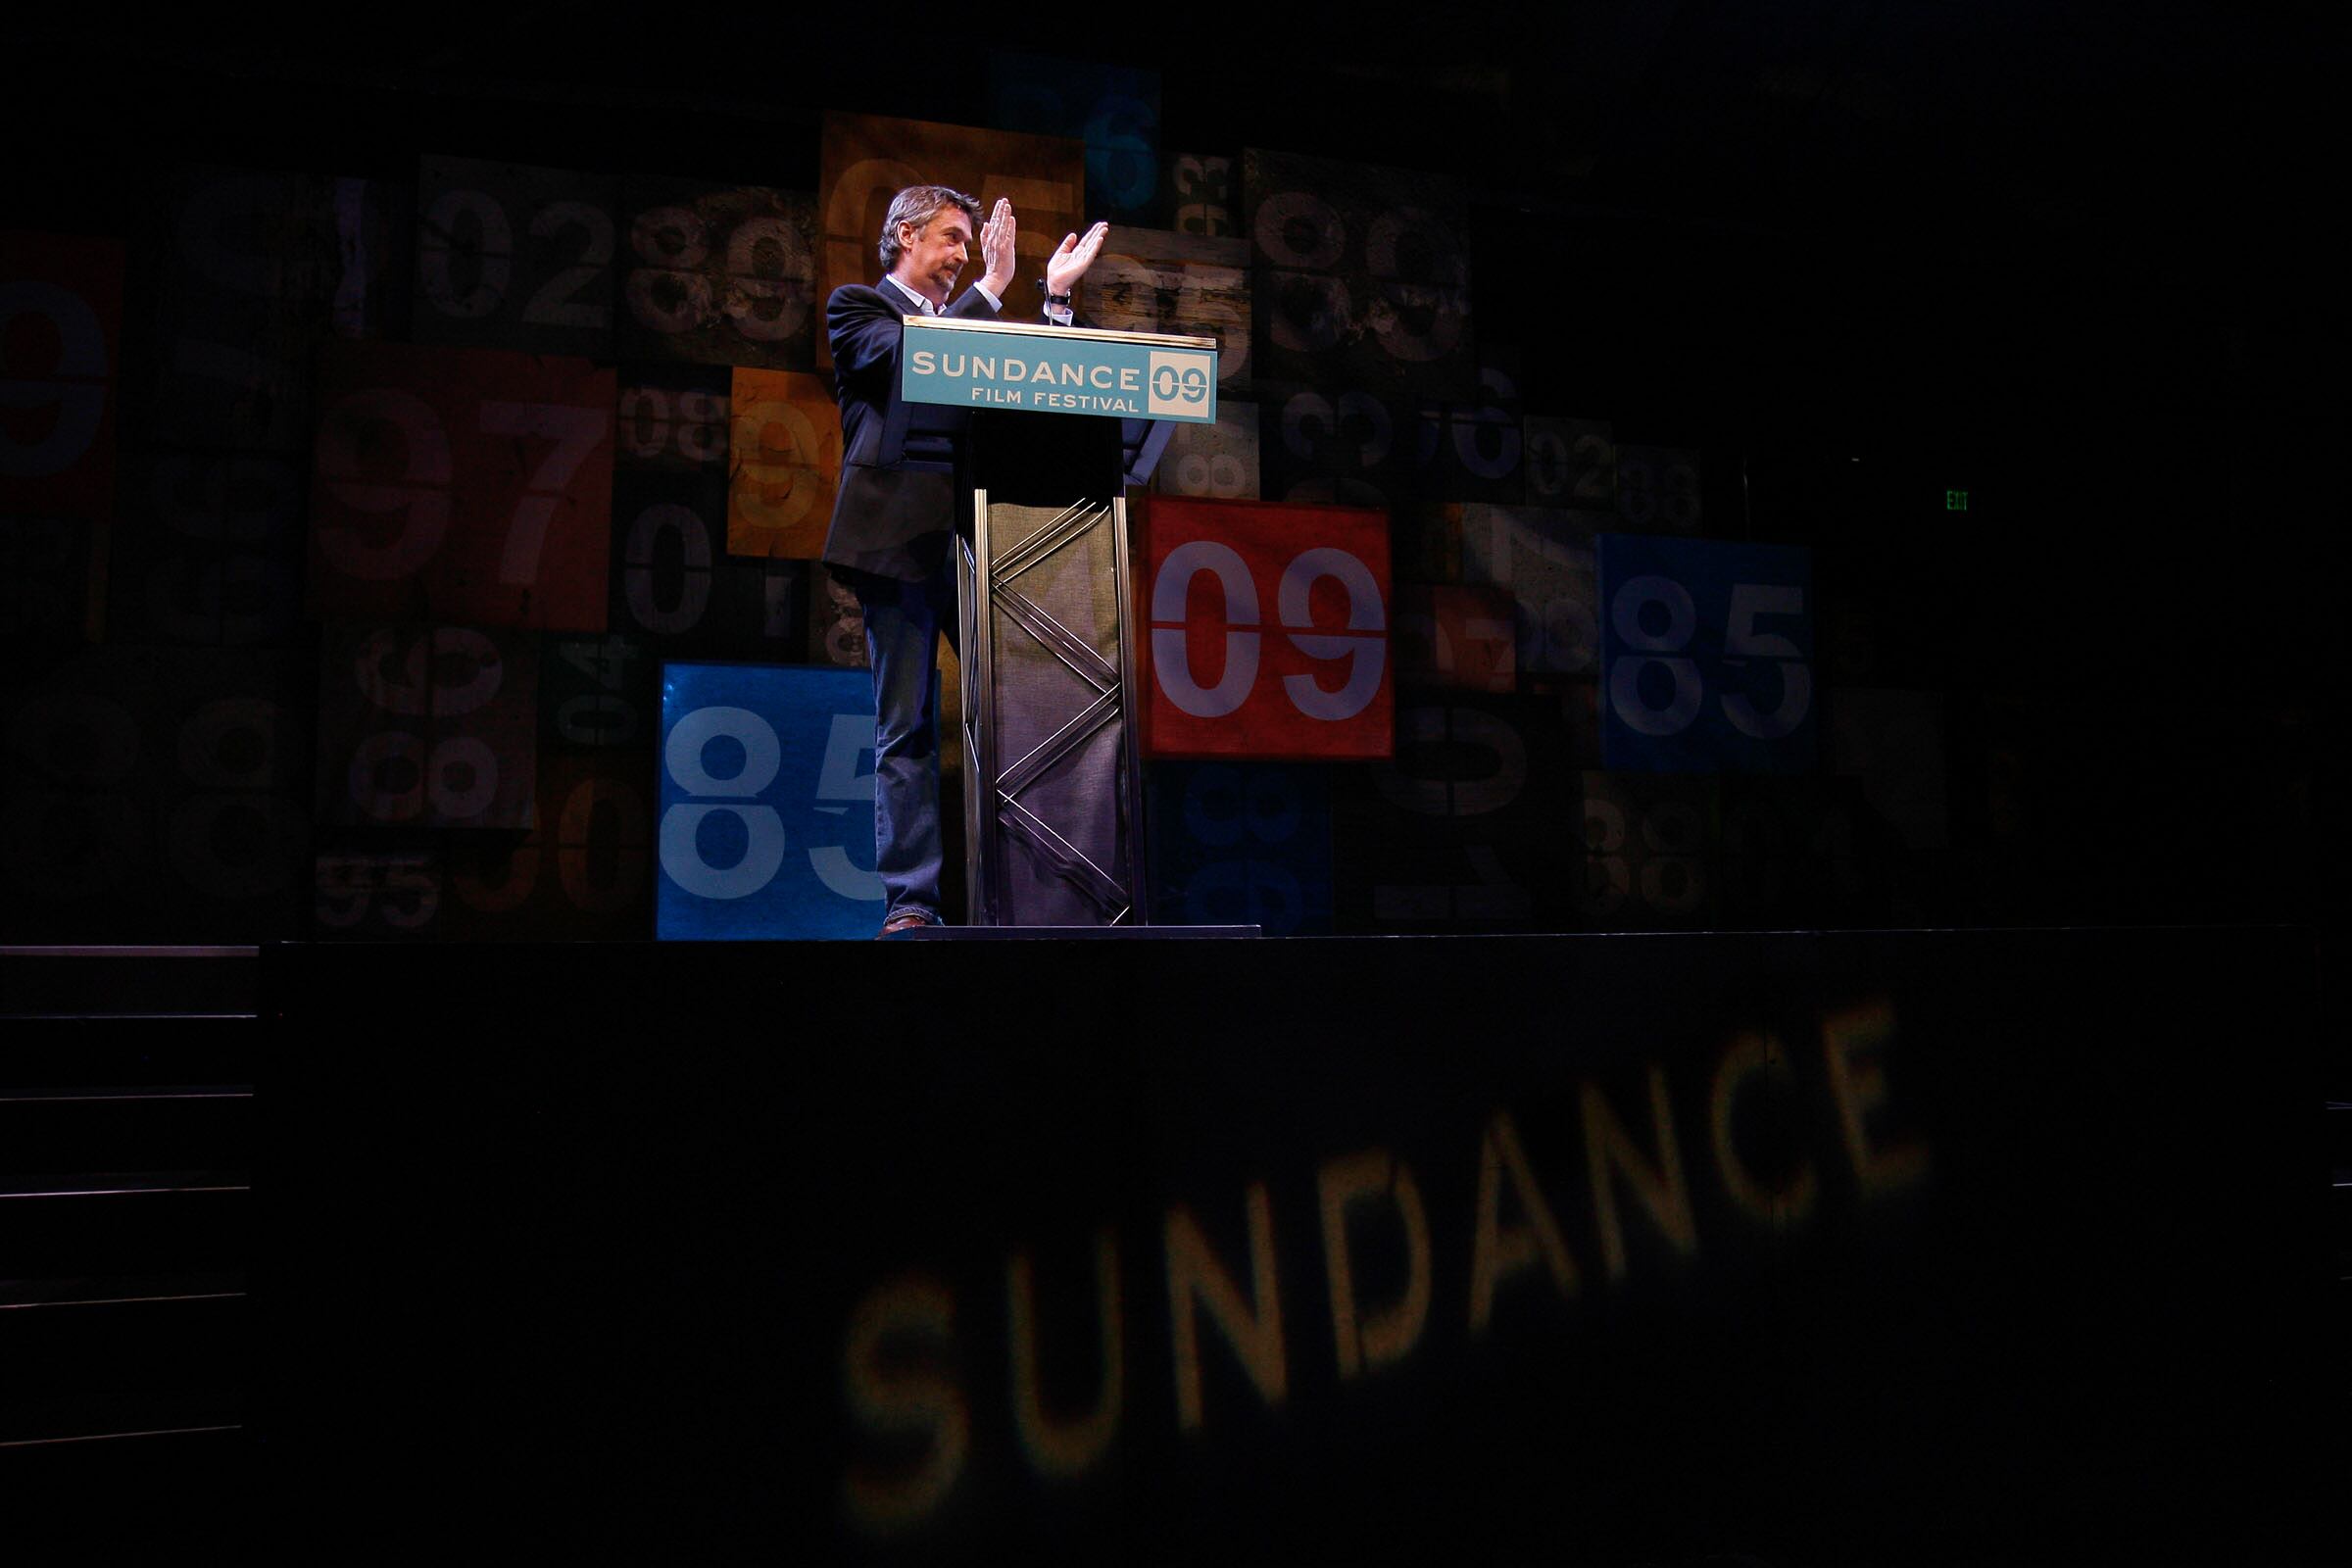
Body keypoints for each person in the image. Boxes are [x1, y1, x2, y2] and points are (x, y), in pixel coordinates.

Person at [822, 184, 1107, 936]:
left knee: (1029, 718)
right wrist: (990, 289)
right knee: (907, 725)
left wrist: (1050, 300)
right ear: (906, 235)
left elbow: (1028, 403)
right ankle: (913, 902)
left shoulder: (964, 323)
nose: (960, 257)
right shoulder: (859, 309)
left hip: (986, 542)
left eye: (967, 245)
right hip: (898, 543)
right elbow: (919, 362)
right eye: (951, 238)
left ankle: (1040, 892)